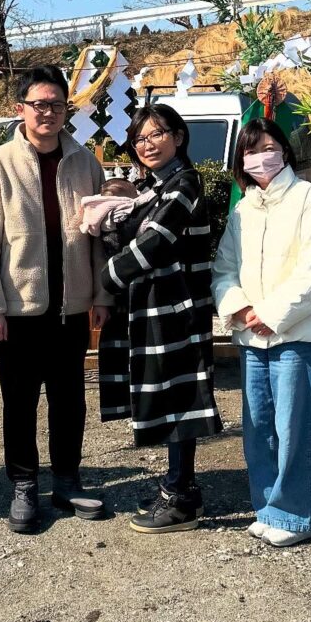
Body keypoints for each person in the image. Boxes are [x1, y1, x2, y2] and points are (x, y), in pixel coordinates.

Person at [0, 65, 112, 533]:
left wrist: (101, 294)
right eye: (39, 105)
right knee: (20, 400)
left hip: (72, 306)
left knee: (70, 399)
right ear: (21, 110)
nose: (48, 113)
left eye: (56, 105)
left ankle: (67, 480)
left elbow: (97, 238)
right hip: (19, 309)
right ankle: (25, 484)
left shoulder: (84, 161)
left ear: (66, 110)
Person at [211, 117, 311, 547]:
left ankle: (294, 515)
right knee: (259, 426)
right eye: (251, 151)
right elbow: (224, 269)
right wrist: (242, 307)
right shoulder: (243, 208)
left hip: (299, 333)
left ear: (284, 152)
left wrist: (273, 312)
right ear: (242, 160)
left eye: (269, 147)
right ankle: (268, 506)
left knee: (295, 426)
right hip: (253, 334)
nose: (260, 157)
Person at [99, 104, 222, 533]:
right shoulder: (154, 187)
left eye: (156, 135)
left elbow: (156, 242)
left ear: (179, 136)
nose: (147, 144)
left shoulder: (183, 184)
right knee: (169, 396)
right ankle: (176, 487)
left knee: (179, 399)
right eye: (140, 138)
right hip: (157, 305)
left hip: (178, 307)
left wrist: (106, 277)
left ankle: (182, 498)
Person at [78, 176, 154, 237]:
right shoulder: (121, 207)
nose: (138, 193)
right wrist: (153, 193)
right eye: (134, 192)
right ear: (123, 198)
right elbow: (140, 201)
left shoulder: (99, 204)